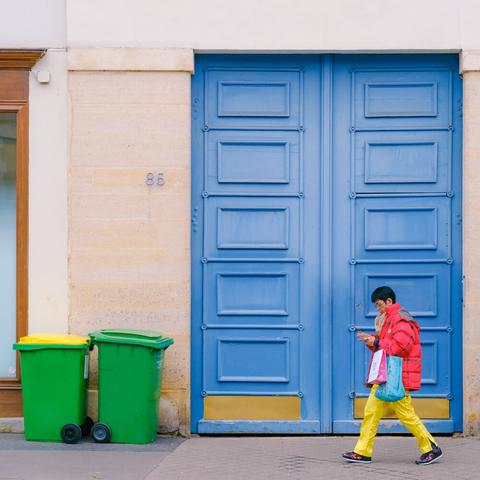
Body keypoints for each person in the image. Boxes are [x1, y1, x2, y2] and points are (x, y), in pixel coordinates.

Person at [342, 286, 443, 465]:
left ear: (389, 301)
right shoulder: (389, 319)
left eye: (379, 305)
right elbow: (385, 343)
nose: (378, 309)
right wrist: (371, 340)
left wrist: (377, 341)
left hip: (397, 378)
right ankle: (362, 452)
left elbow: (400, 347)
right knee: (371, 412)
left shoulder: (402, 320)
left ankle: (431, 448)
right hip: (385, 377)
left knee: (406, 415)